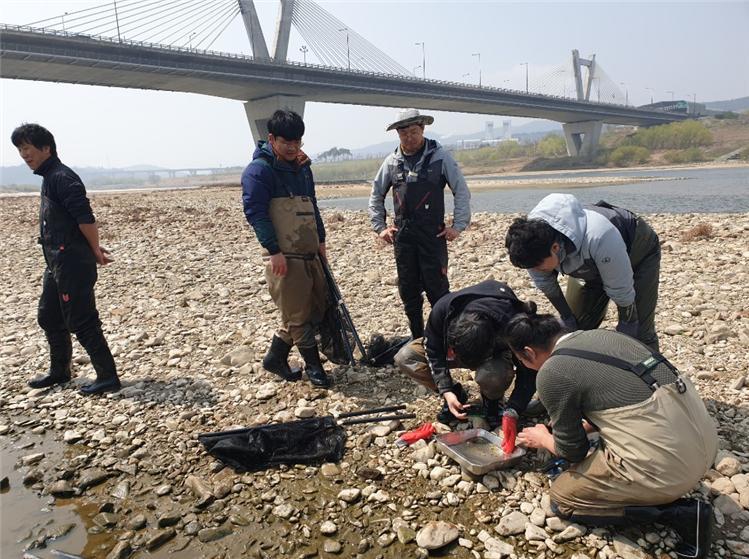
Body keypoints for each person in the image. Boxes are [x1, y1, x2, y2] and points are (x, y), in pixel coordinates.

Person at [504, 312, 717, 559]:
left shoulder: (552, 372)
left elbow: (572, 451)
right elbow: (628, 398)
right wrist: (588, 426)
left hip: (670, 469)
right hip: (704, 443)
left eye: (520, 359)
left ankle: (681, 515)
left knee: (563, 499)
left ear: (528, 353)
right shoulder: (604, 336)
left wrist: (542, 439)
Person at [11, 123, 121, 395]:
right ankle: (60, 371)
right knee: (49, 316)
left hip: (71, 261)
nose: (24, 154)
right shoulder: (49, 177)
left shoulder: (61, 177)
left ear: (46, 148)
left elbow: (85, 217)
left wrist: (95, 249)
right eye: (20, 149)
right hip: (55, 262)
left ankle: (108, 376)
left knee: (82, 320)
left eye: (27, 148)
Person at [241, 109, 330, 388]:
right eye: (286, 143)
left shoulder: (302, 167)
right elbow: (256, 213)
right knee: (298, 314)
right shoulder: (258, 172)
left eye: (298, 142)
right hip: (284, 254)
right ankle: (314, 368)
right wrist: (273, 250)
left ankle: (275, 357)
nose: (293, 148)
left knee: (315, 305)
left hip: (309, 249)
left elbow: (312, 206)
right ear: (271, 139)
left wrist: (322, 241)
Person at [505, 193, 661, 350]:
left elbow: (621, 290)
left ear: (555, 248)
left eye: (538, 267)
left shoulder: (598, 235)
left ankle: (657, 373)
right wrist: (567, 317)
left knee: (640, 333)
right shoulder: (531, 245)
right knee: (574, 330)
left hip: (637, 250)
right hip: (587, 263)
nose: (536, 271)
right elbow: (546, 284)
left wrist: (628, 322)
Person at [394, 280, 538, 444]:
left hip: (495, 352)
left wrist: (513, 409)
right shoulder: (443, 311)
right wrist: (446, 390)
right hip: (457, 347)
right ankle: (456, 395)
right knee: (406, 357)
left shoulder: (512, 321)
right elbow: (432, 349)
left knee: (493, 374)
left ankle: (492, 402)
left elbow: (529, 370)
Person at [369, 108, 471, 339]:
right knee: (409, 293)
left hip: (432, 237)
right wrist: (380, 227)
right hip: (403, 238)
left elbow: (461, 191)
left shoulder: (440, 157)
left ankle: (445, 340)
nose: (409, 138)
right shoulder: (392, 162)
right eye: (403, 133)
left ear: (423, 129)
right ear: (398, 135)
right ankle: (417, 339)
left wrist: (458, 225)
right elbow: (376, 194)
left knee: (439, 292)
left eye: (413, 132)